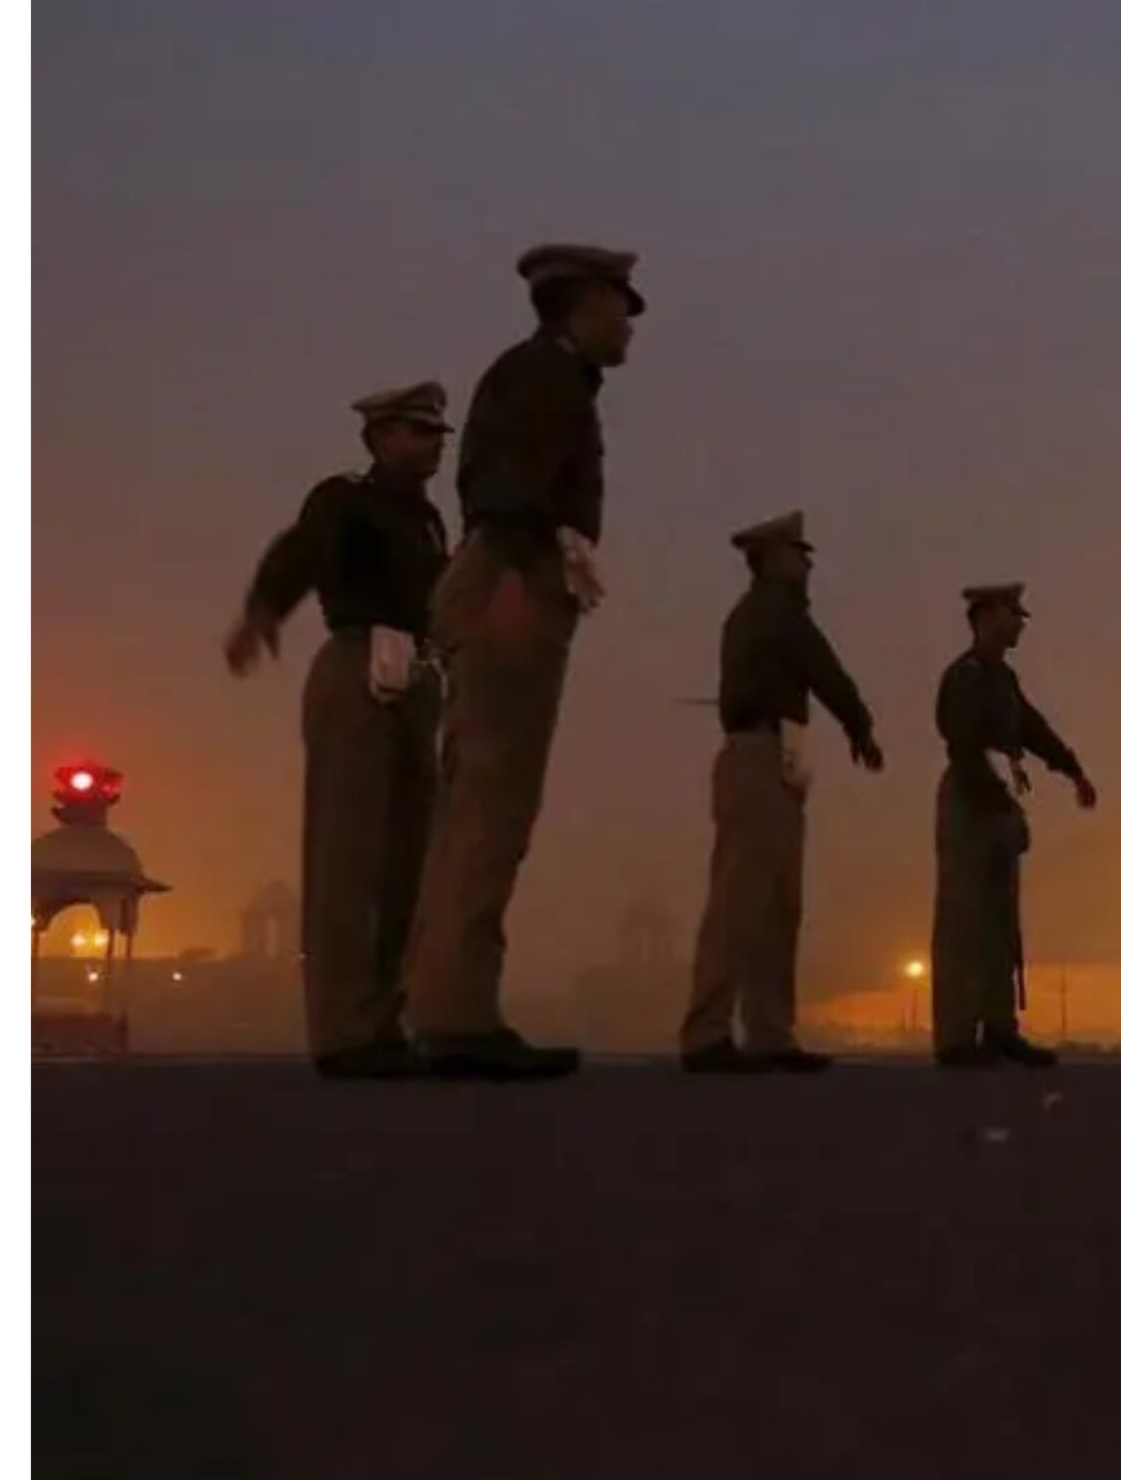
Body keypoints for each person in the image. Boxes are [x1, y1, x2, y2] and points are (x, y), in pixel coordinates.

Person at [402, 243, 643, 1080]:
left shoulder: (546, 376)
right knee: (492, 803)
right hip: (514, 577)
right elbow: (510, 489)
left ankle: (444, 1001)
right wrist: (511, 588)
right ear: (583, 305)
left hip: (513, 573)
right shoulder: (544, 377)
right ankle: (456, 1013)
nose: (630, 326)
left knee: (480, 799)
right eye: (620, 307)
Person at [224, 381, 453, 1079]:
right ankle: (343, 1030)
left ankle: (384, 1020)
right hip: (359, 666)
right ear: (379, 437)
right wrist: (264, 609)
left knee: (407, 860)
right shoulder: (345, 498)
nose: (432, 445)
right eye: (417, 431)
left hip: (416, 674)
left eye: (436, 434)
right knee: (348, 857)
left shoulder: (428, 519)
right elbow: (304, 549)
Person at [677, 511, 884, 1074]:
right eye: (799, 554)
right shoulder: (776, 612)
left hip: (777, 759)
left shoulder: (761, 614)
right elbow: (825, 671)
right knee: (742, 900)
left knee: (775, 905)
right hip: (760, 759)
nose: (808, 565)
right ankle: (708, 1031)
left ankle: (769, 1032)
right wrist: (861, 727)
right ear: (770, 559)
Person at [930, 583, 1096, 1068]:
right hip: (972, 796)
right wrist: (1002, 806)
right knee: (963, 920)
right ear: (986, 617)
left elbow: (1031, 728)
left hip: (996, 796)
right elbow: (964, 748)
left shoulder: (1002, 677)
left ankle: (999, 1028)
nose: (1021, 623)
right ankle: (956, 1036)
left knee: (1000, 921)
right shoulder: (966, 676)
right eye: (1012, 613)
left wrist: (1072, 769)